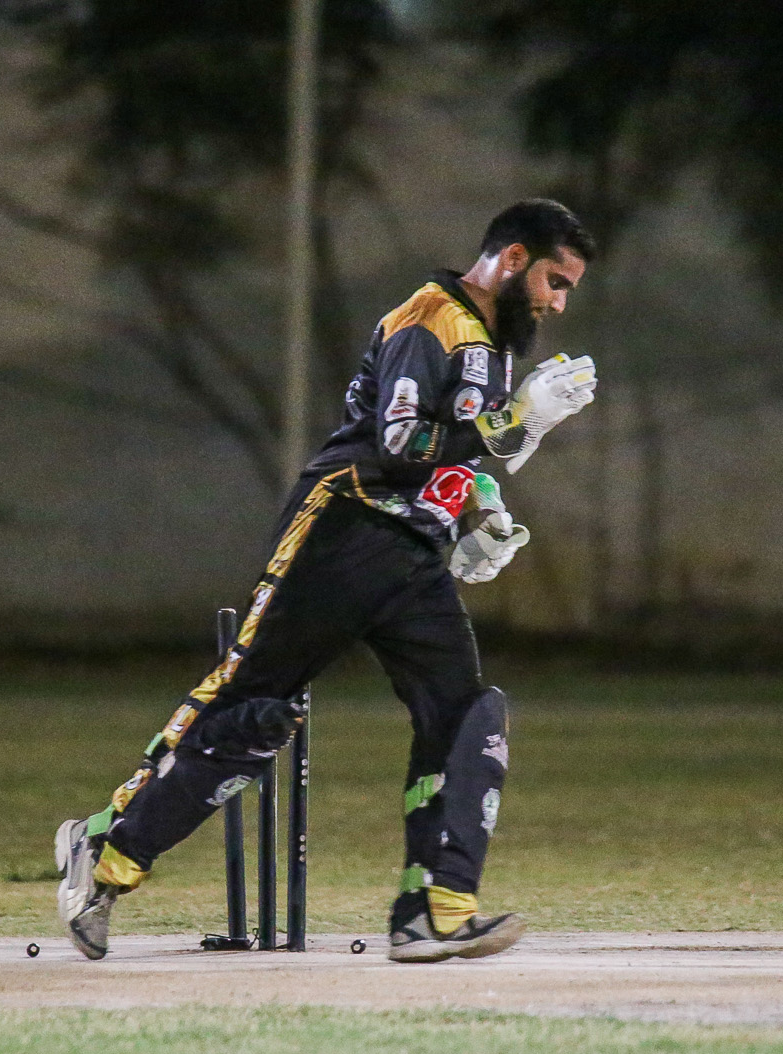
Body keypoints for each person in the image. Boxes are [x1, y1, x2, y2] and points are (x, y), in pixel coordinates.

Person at [55, 199, 599, 963]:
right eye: (554, 280)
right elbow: (401, 441)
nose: (557, 302)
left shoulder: (493, 344)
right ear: (513, 259)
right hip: (344, 528)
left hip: (413, 554)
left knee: (467, 716)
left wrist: (479, 506)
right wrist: (510, 424)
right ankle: (104, 851)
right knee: (253, 710)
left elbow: (451, 450)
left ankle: (433, 912)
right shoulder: (430, 317)